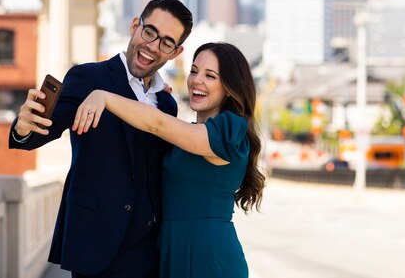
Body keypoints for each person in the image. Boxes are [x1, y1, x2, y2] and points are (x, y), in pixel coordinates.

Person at [9, 0, 193, 278]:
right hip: (95, 243)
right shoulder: (88, 78)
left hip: (148, 251)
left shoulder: (167, 104)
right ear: (135, 26)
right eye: (150, 32)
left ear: (175, 52)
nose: (153, 46)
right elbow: (46, 127)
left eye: (166, 43)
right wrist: (23, 128)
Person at [73, 42, 266, 278]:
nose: (197, 80)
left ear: (229, 87)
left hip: (208, 254)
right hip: (171, 250)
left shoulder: (229, 131)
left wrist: (103, 97)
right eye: (194, 71)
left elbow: (157, 124)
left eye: (210, 76)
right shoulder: (190, 135)